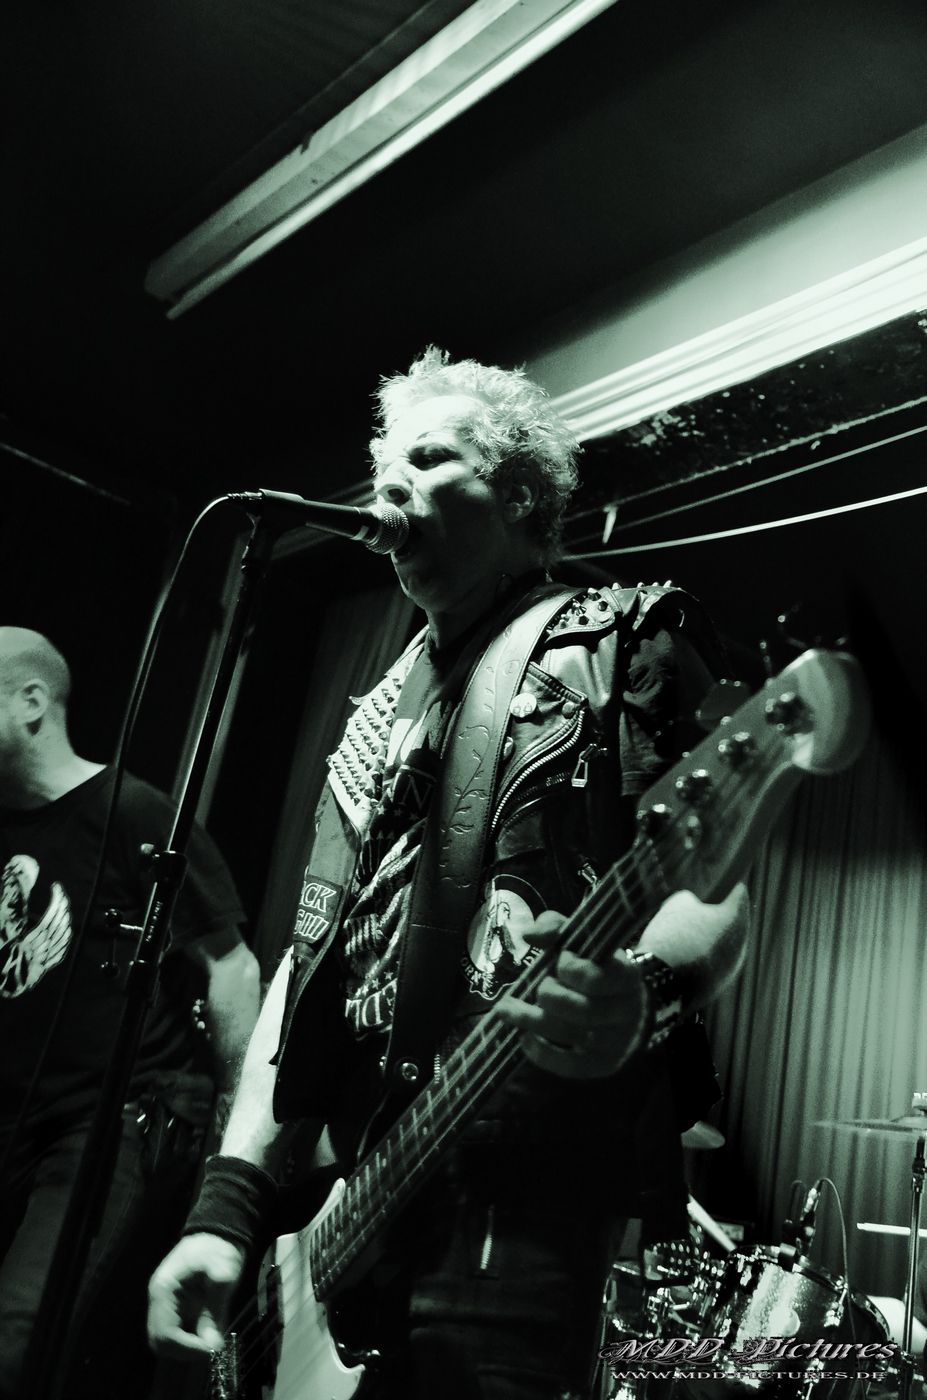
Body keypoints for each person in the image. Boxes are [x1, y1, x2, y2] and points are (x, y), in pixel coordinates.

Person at [148, 349, 749, 1399]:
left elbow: (713, 884)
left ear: (518, 495)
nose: (392, 484)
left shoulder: (619, 644)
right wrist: (227, 1209)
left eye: (430, 459)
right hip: (348, 1202)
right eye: (386, 467)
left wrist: (644, 992)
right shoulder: (375, 718)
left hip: (522, 1195)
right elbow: (306, 973)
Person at [0, 627, 260, 1399]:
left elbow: (232, 967)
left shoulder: (133, 813)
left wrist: (230, 1146)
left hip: (105, 1127)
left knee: (16, 1343)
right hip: (13, 1121)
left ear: (32, 701)